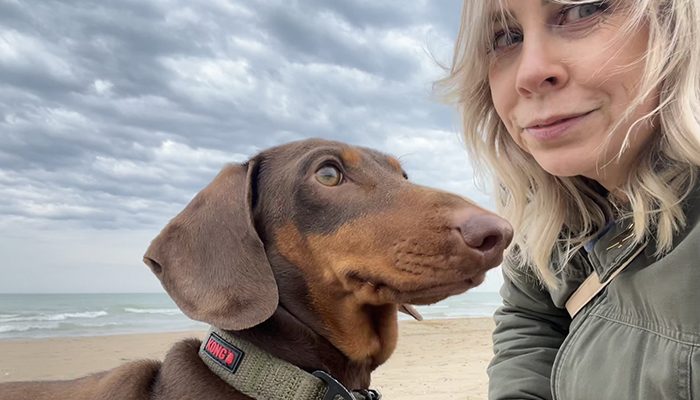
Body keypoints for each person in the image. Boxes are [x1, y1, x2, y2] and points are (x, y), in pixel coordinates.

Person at [436, 0, 700, 399]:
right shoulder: (546, 212)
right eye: (506, 37)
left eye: (582, 11)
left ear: (677, 22)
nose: (530, 72)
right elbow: (530, 317)